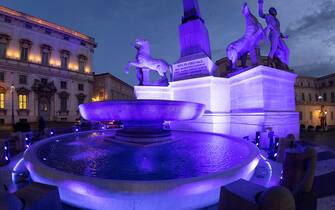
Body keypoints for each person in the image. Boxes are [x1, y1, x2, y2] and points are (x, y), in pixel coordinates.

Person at [258, 0, 289, 68]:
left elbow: (278, 30)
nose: (274, 11)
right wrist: (260, 4)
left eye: (274, 10)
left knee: (286, 49)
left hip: (278, 36)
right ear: (270, 11)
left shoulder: (277, 20)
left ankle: (285, 64)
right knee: (273, 49)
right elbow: (261, 14)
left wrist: (284, 36)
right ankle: (269, 63)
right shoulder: (268, 16)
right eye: (272, 10)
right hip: (273, 34)